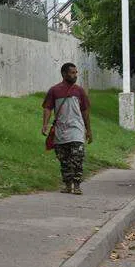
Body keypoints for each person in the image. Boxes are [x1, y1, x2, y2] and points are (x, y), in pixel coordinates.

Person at [42, 62, 92, 194]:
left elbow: (85, 111)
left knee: (77, 157)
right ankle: (67, 185)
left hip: (76, 129)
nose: (75, 75)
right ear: (64, 74)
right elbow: (47, 108)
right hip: (60, 130)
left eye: (76, 73)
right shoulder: (54, 90)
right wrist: (45, 125)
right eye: (72, 73)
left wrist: (89, 130)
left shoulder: (79, 91)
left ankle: (77, 185)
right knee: (64, 160)